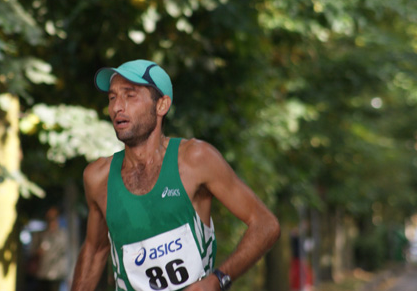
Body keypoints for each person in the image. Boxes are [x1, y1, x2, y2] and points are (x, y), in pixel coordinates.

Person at [71, 59, 280, 291]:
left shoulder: (196, 160)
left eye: (130, 96)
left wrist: (217, 279)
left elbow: (265, 224)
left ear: (161, 105)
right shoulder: (98, 178)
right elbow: (94, 251)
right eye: (112, 97)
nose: (117, 107)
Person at [29, 206, 69, 291]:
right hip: (41, 274)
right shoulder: (40, 235)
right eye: (49, 218)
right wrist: (38, 252)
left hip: (57, 274)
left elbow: (67, 253)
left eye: (54, 217)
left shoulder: (63, 235)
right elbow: (32, 251)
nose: (51, 220)